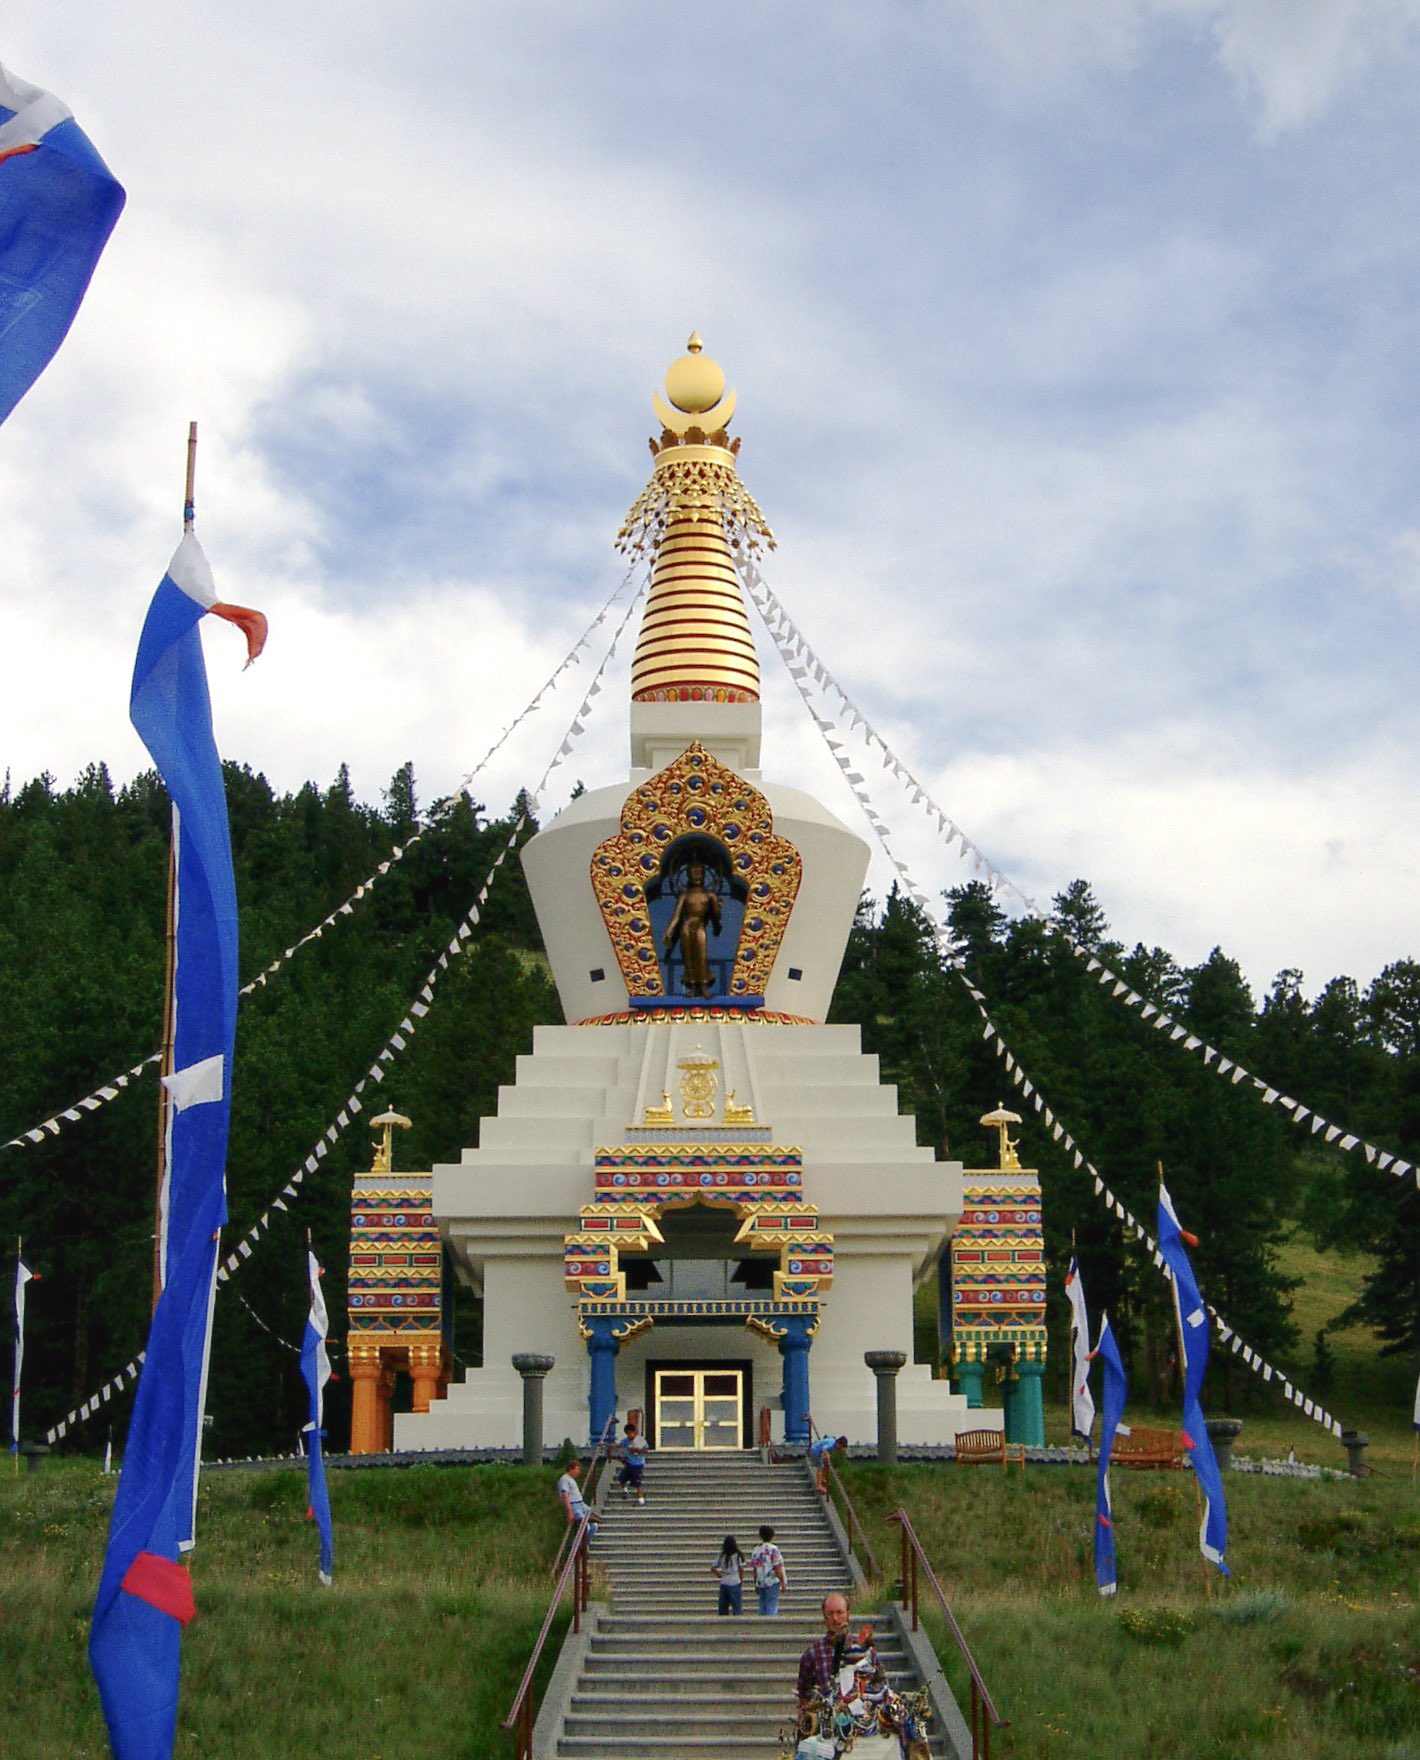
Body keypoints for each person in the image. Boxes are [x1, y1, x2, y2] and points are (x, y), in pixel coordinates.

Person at [663, 858, 721, 997]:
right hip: (686, 927)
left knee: (701, 955)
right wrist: (668, 931)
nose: (697, 877)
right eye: (693, 874)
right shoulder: (684, 896)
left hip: (700, 925)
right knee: (688, 956)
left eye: (699, 874)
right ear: (688, 876)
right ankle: (693, 986)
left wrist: (717, 908)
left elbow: (716, 918)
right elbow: (676, 916)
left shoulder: (709, 895)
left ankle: (704, 985)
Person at [796, 1592, 852, 1715]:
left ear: (848, 1614)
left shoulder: (863, 1650)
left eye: (839, 1612)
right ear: (824, 1617)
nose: (835, 1619)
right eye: (830, 1613)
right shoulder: (813, 1654)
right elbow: (803, 1696)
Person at [748, 1523, 788, 1617]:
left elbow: (754, 1568)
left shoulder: (756, 1550)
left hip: (761, 1581)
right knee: (772, 1605)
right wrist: (782, 1581)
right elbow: (777, 1567)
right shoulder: (773, 1549)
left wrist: (755, 1583)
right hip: (772, 1580)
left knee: (762, 1605)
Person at [557, 1459, 597, 1537]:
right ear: (571, 1469)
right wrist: (569, 1511)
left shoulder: (572, 1480)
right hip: (574, 1505)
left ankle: (586, 1544)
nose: (578, 1472)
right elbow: (565, 1495)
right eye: (577, 1469)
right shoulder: (564, 1479)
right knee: (585, 1528)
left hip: (581, 1504)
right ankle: (581, 1546)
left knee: (594, 1526)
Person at [616, 1419, 648, 1506]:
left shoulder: (640, 1440)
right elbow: (619, 1445)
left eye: (631, 1433)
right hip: (629, 1463)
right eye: (628, 1434)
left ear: (635, 1432)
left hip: (638, 1465)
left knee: (637, 1482)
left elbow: (645, 1450)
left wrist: (638, 1449)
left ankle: (641, 1499)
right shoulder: (625, 1441)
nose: (630, 1435)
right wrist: (609, 1446)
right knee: (621, 1478)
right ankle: (625, 1491)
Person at [711, 1534, 744, 1615]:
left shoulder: (722, 1555)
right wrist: (741, 1580)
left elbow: (713, 1568)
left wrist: (719, 1575)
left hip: (724, 1581)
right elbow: (741, 1569)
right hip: (735, 1581)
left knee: (723, 1607)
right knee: (736, 1606)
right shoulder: (738, 1555)